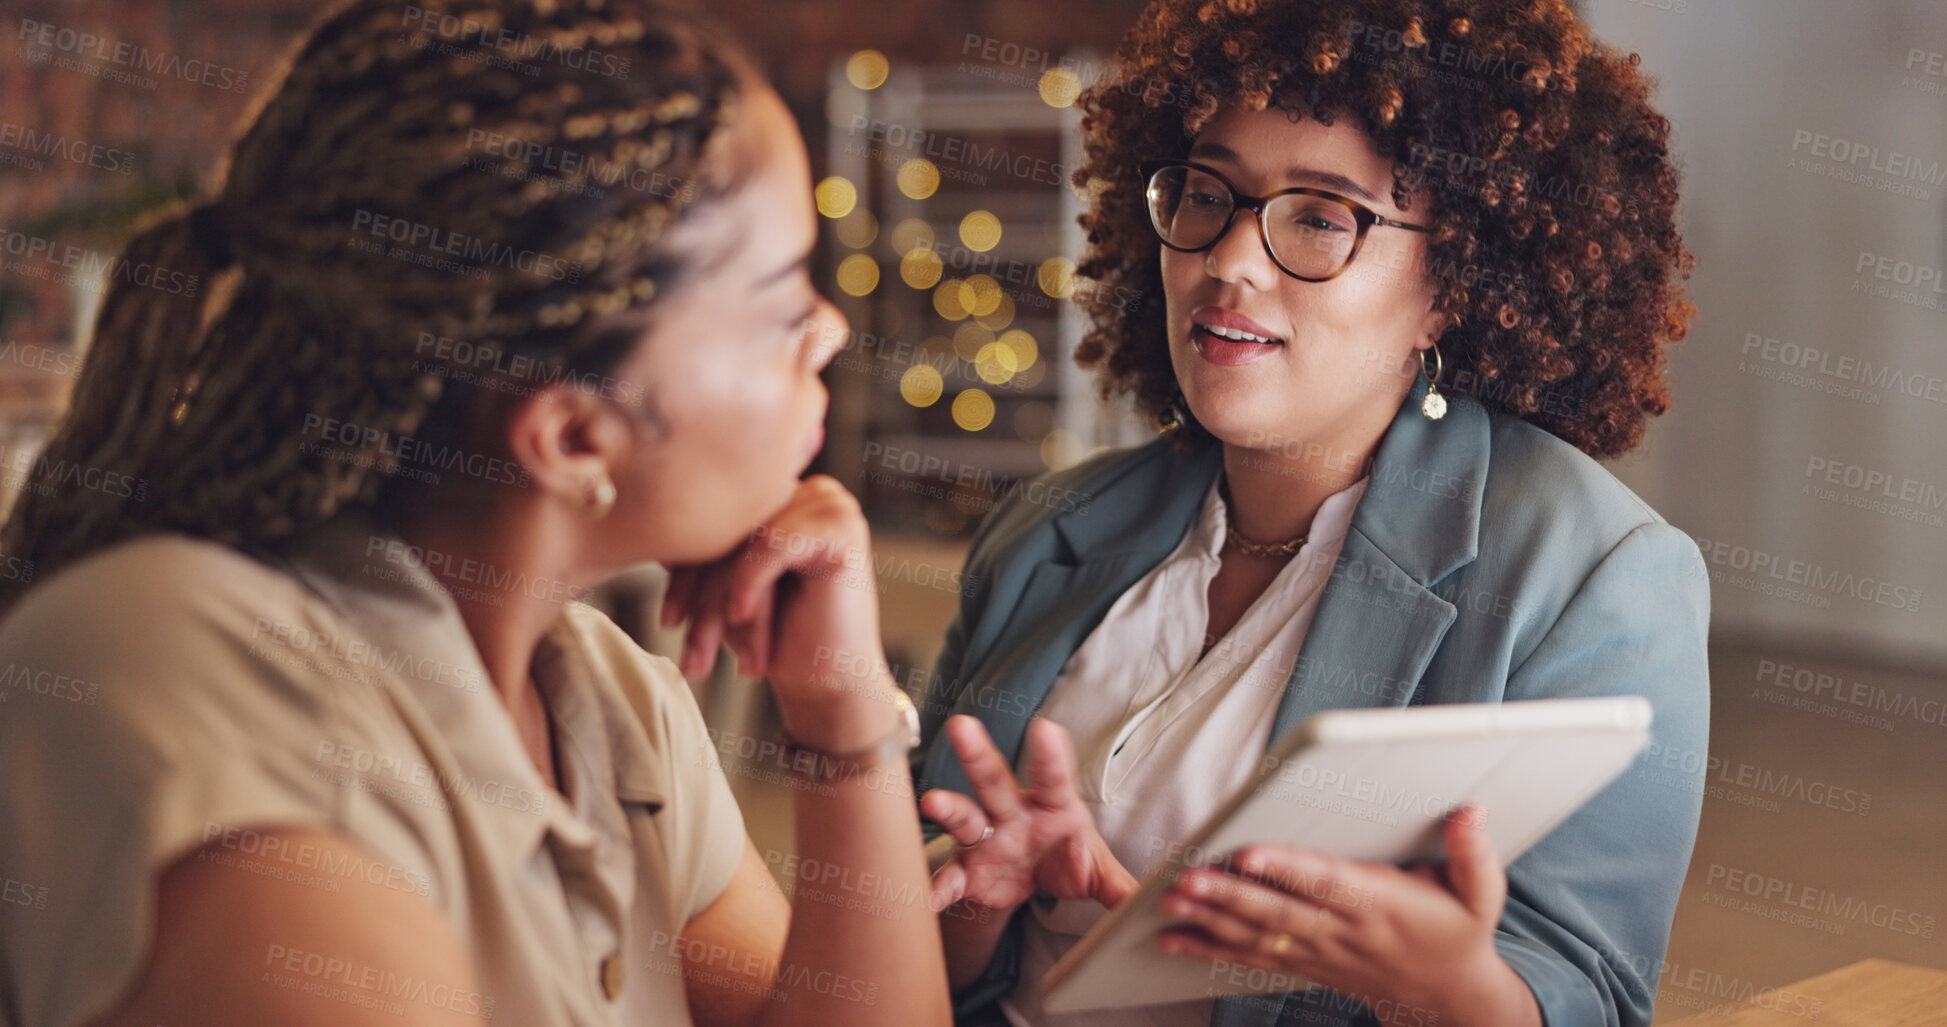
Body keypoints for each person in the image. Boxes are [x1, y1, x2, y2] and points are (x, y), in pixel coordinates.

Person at [0, 2, 972, 1024]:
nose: (830, 329)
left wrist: (845, 729)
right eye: (782, 302)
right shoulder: (185, 676)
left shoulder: (611, 707)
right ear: (572, 437)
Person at [911, 2, 1711, 1026]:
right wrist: (973, 899)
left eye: (1322, 217)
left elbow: (1589, 994)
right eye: (1209, 193)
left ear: (1452, 287)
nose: (1229, 262)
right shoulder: (1048, 527)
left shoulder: (1597, 576)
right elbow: (881, 954)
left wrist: (1442, 983)